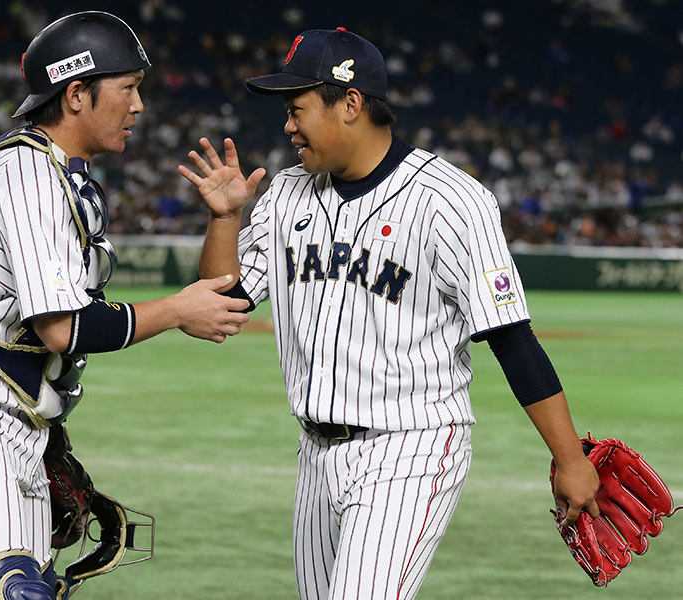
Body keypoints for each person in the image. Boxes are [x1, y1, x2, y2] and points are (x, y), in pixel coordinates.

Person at [179, 27, 600, 600]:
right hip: (315, 454)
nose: (287, 125)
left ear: (349, 103)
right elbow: (218, 307)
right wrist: (225, 220)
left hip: (412, 445)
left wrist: (570, 458)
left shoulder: (450, 200)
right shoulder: (284, 194)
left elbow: (511, 338)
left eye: (297, 107)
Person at [0, 12, 249, 600]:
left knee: (36, 591)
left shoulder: (55, 174)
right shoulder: (27, 174)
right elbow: (63, 327)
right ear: (76, 94)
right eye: (128, 89)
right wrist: (178, 310)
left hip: (11, 418)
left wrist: (48, 430)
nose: (139, 106)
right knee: (8, 594)